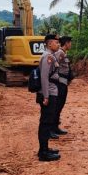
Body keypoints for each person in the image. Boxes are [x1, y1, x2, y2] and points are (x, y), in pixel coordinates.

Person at [36, 33, 61, 162]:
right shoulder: (47, 57)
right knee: (45, 123)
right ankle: (43, 152)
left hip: (51, 92)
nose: (58, 45)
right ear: (50, 43)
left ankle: (45, 148)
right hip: (48, 93)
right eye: (56, 43)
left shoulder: (50, 56)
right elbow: (44, 77)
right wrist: (46, 96)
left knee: (47, 121)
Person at [52, 35, 73, 135]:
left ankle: (55, 127)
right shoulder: (60, 53)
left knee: (60, 104)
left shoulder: (63, 53)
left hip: (64, 82)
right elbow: (54, 65)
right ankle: (52, 128)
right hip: (60, 82)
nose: (71, 44)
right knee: (58, 105)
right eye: (70, 42)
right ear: (66, 43)